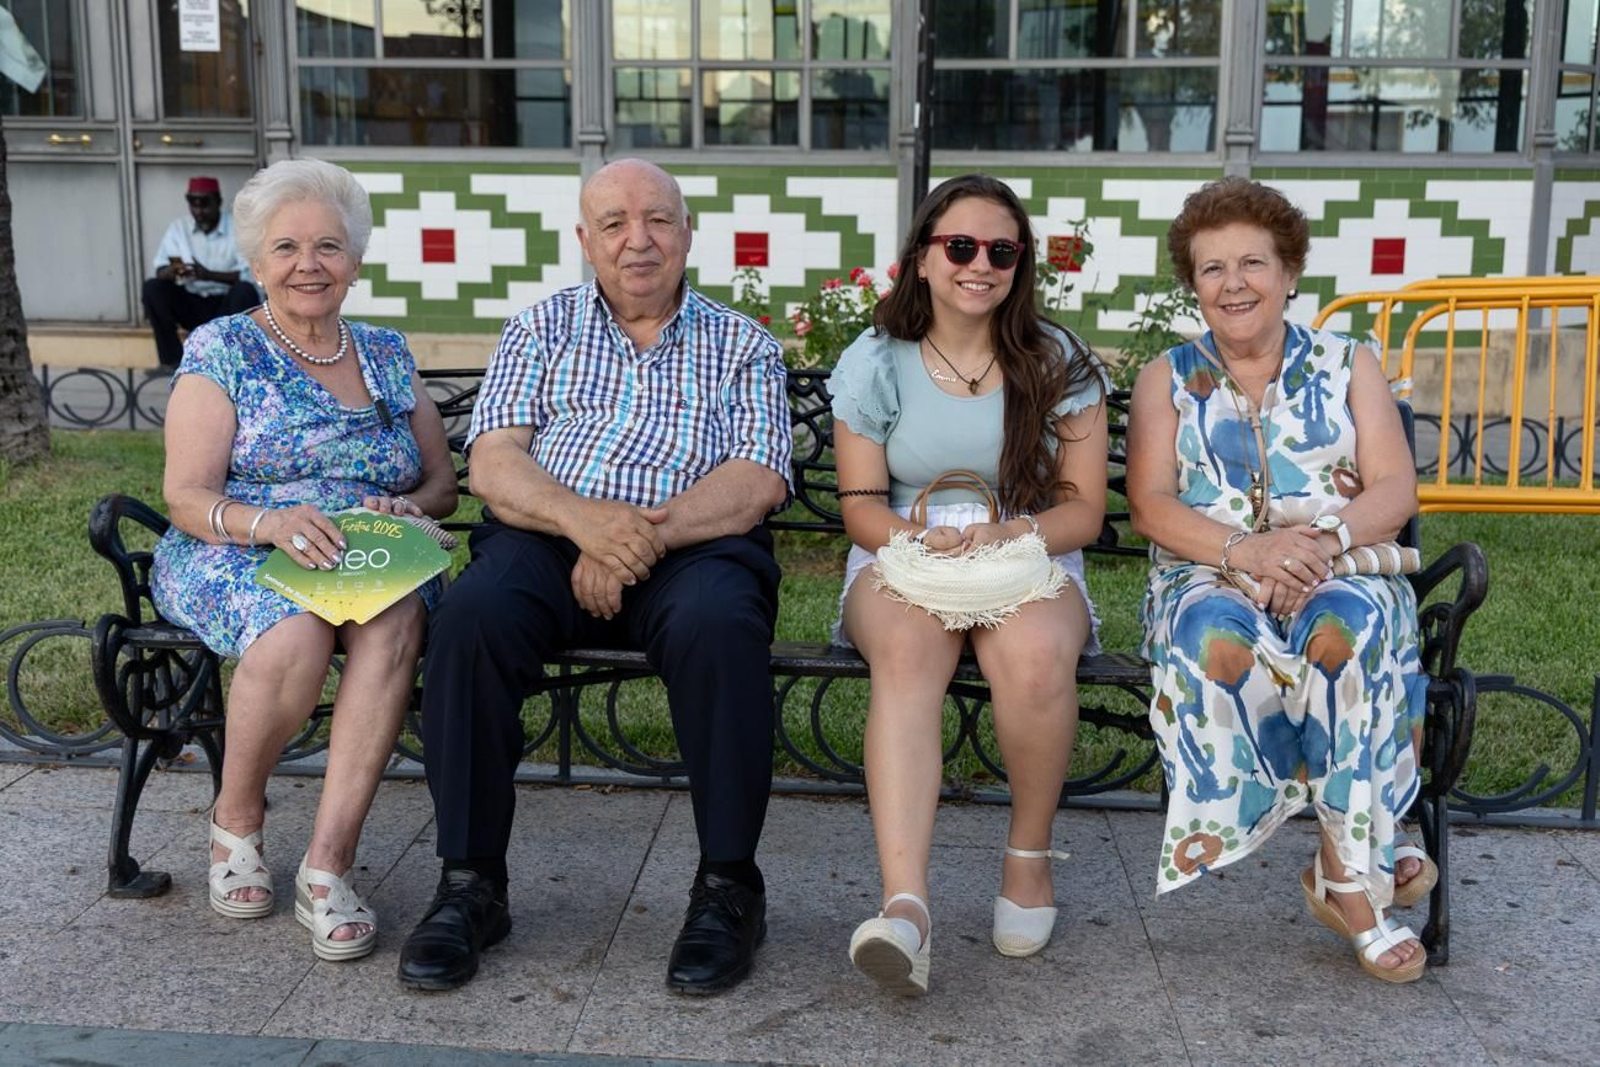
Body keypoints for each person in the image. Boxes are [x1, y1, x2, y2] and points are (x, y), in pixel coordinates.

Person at [397, 158, 792, 996]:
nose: (637, 239)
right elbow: (497, 460)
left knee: (720, 625)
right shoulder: (541, 327)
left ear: (688, 234)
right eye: (613, 223)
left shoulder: (744, 343)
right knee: (471, 617)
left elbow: (757, 476)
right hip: (548, 536)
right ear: (585, 241)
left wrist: (633, 540)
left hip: (695, 543)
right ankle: (471, 884)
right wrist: (585, 524)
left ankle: (729, 887)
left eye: (657, 220)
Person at [1125, 177, 1437, 984]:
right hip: (1208, 571)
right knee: (1213, 633)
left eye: (1253, 262)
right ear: (1192, 285)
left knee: (1344, 630)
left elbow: (1394, 491)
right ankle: (1372, 841)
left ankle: (1346, 880)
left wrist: (1322, 544)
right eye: (1211, 268)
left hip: (1339, 562)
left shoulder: (1349, 362)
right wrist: (1245, 553)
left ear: (1291, 271)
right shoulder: (1165, 377)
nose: (1233, 283)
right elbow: (1152, 506)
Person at [151, 158, 458, 962]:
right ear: (257, 263)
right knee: (295, 632)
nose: (308, 264)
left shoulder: (387, 353)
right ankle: (238, 819)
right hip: (239, 543)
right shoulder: (224, 348)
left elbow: (443, 484)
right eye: (286, 247)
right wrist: (273, 522)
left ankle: (327, 867)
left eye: (328, 246)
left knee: (397, 618)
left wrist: (407, 509)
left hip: (368, 553)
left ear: (354, 262)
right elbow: (186, 495)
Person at [827, 174, 1109, 996]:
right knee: (911, 651)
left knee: (1029, 656)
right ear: (921, 258)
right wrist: (926, 541)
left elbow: (1083, 510)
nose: (978, 264)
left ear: (1020, 265)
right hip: (904, 549)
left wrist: (1005, 534)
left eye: (1001, 250)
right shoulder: (877, 359)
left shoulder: (1057, 360)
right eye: (959, 246)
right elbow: (859, 507)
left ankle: (1027, 858)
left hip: (1029, 544)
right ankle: (905, 906)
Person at [143, 177, 260, 373]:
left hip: (226, 305)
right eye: (193, 204)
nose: (199, 211)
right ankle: (172, 362)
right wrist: (171, 272)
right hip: (192, 301)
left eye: (205, 204)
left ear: (218, 202)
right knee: (153, 287)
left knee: (245, 291)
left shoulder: (238, 229)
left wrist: (209, 275)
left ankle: (235, 364)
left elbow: (251, 274)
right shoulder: (178, 228)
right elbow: (160, 268)